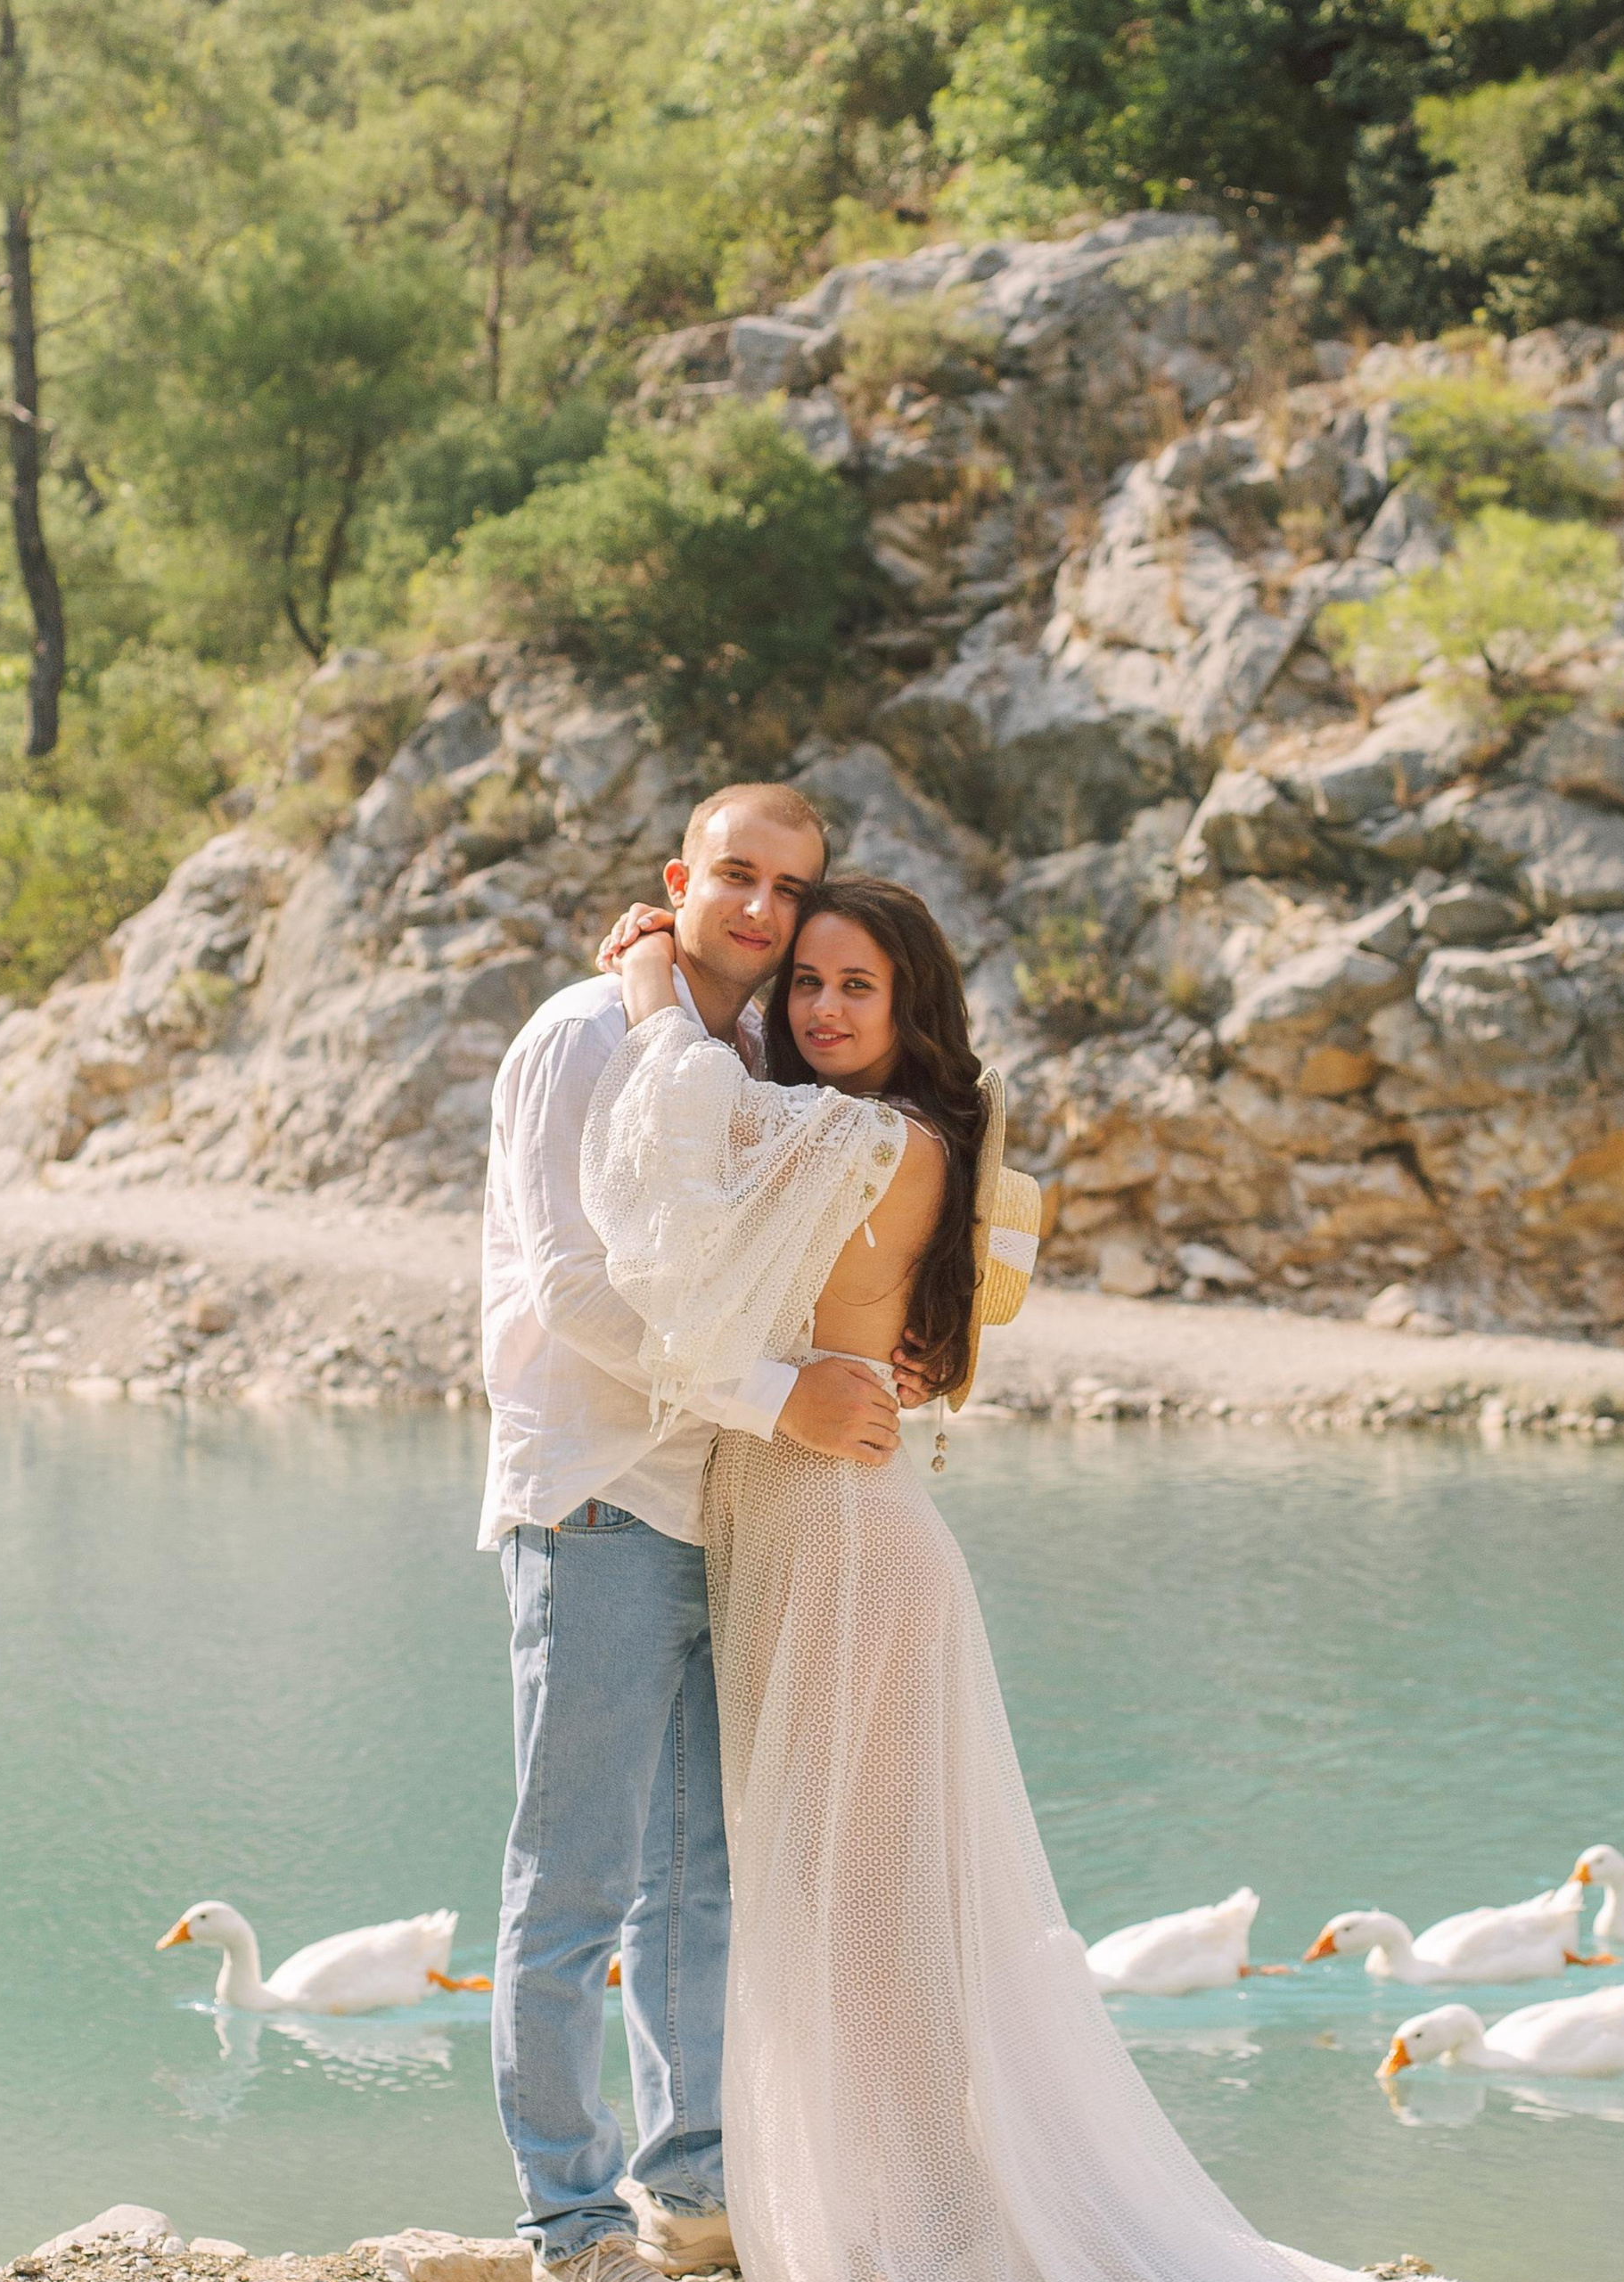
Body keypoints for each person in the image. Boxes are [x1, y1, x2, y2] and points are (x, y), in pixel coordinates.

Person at [586, 875, 1357, 2282]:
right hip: (805, 1527)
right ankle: (914, 2208)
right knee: (834, 1903)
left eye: (854, 987)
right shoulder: (856, 1128)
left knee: (874, 1922)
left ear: (908, 1007)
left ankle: (951, 2229)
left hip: (845, 1546)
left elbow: (675, 1166)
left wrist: (653, 991)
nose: (820, 1008)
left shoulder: (872, 1138)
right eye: (803, 983)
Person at [478, 784, 917, 2282]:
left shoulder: (743, 1057)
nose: (762, 910)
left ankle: (695, 2186)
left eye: (790, 890)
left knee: (700, 1879)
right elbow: (577, 1293)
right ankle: (572, 2221)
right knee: (575, 1880)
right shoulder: (580, 1038)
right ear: (682, 878)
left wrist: (878, 1354)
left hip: (726, 1510)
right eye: (738, 876)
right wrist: (784, 1395)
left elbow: (792, 1255)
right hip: (599, 1496)